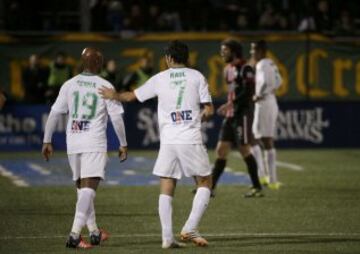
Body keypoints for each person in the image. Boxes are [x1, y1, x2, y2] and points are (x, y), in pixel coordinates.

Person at [99, 40, 214, 249]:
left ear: (169, 58)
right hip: (189, 137)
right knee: (205, 182)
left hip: (169, 140)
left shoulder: (160, 78)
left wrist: (112, 95)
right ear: (186, 58)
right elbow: (209, 110)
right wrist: (199, 118)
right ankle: (190, 228)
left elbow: (131, 96)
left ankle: (167, 238)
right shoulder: (197, 76)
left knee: (167, 185)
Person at [42, 47, 128, 249]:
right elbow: (116, 118)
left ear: (82, 62)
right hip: (93, 141)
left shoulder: (69, 84)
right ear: (99, 64)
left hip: (73, 142)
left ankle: (94, 232)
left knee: (82, 189)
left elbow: (54, 114)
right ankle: (74, 235)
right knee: (89, 189)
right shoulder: (105, 85)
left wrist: (47, 140)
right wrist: (123, 143)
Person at [211, 38, 263, 198]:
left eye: (225, 50)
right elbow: (232, 91)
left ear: (233, 52)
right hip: (230, 115)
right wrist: (228, 105)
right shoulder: (227, 69)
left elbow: (248, 91)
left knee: (244, 149)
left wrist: (230, 104)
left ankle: (257, 187)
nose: (222, 53)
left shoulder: (246, 68)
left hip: (242, 114)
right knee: (221, 150)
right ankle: (210, 188)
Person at [250, 40, 282, 190]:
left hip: (264, 103)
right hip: (269, 101)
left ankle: (271, 179)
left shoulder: (262, 64)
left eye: (253, 50)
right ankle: (263, 176)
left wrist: (259, 94)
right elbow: (279, 81)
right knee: (257, 138)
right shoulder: (271, 63)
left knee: (264, 139)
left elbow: (267, 81)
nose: (252, 53)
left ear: (261, 51)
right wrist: (268, 91)